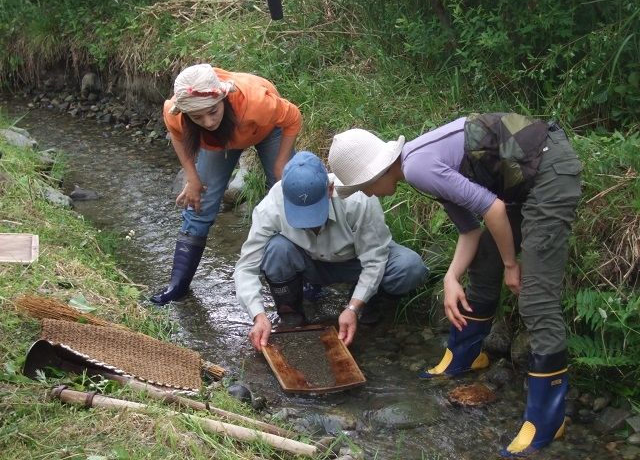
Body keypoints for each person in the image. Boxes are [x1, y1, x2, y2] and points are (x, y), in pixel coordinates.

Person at [327, 113, 582, 457]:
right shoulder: (415, 168)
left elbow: (492, 209)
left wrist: (512, 265)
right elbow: (471, 230)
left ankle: (547, 421)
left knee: (537, 300)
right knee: (484, 261)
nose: (368, 195)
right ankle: (466, 355)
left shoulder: (418, 168)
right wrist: (451, 277)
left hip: (550, 170)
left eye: (363, 187)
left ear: (376, 172)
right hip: (524, 178)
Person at [233, 151, 428, 351]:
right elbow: (246, 267)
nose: (309, 225)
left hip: (355, 263)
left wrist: (353, 307)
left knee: (409, 267)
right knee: (276, 249)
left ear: (330, 189)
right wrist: (259, 315)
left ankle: (368, 306)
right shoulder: (271, 206)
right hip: (308, 262)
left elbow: (374, 260)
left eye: (314, 214)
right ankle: (292, 316)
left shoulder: (358, 198)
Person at [150, 64, 301, 306]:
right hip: (220, 143)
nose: (208, 122)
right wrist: (192, 178)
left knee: (289, 197)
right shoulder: (175, 112)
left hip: (265, 130)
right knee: (199, 202)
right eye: (197, 117)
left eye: (212, 111)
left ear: (223, 98)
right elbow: (177, 135)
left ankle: (305, 279)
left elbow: (293, 117)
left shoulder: (257, 102)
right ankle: (177, 285)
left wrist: (281, 163)